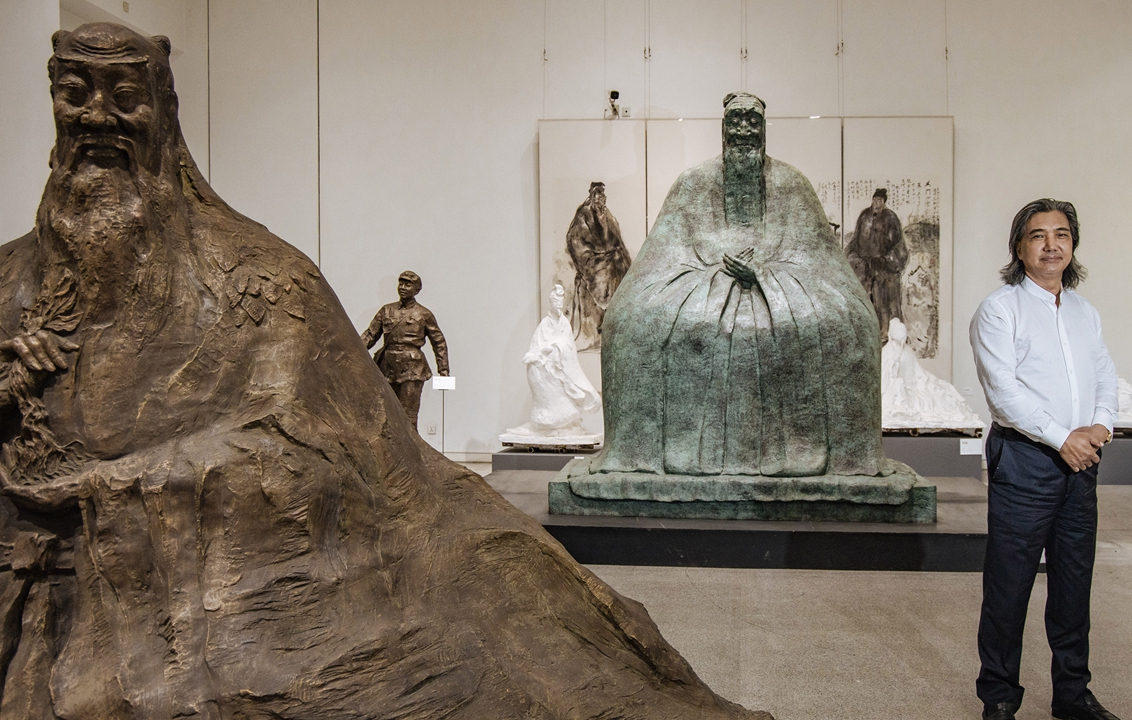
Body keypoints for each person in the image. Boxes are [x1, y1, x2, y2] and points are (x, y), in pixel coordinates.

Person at [0, 23, 773, 718]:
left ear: (163, 112)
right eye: (75, 95)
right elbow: (372, 335)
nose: (96, 118)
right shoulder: (9, 282)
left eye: (123, 97)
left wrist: (93, 485)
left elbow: (316, 440)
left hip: (273, 522)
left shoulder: (264, 275)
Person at [591, 92, 884, 479]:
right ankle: (644, 453)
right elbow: (662, 257)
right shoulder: (692, 183)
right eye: (736, 120)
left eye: (752, 120)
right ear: (723, 127)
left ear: (763, 128)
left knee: (852, 324)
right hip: (700, 280)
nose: (744, 129)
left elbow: (818, 259)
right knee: (629, 323)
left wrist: (765, 274)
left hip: (780, 282)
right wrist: (716, 275)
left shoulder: (792, 184)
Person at [970, 199, 1121, 720]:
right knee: (1009, 587)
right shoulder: (999, 310)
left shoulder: (1084, 311)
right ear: (1019, 247)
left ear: (1072, 245)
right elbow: (1003, 393)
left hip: (1082, 462)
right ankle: (999, 697)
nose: (1051, 245)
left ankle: (1073, 695)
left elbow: (1104, 375)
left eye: (1062, 235)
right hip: (1025, 460)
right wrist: (1063, 438)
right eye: (1038, 235)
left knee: (1074, 586)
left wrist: (1101, 425)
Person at [503, 284, 600, 439]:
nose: (559, 305)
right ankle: (547, 421)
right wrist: (541, 354)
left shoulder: (564, 324)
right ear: (552, 303)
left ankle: (560, 421)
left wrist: (555, 348)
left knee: (572, 399)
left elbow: (568, 346)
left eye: (561, 302)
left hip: (560, 367)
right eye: (556, 302)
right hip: (546, 369)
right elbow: (535, 347)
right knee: (534, 368)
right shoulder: (544, 325)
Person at [360, 270, 449, 428]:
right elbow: (370, 335)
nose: (402, 287)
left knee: (408, 415)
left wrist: (443, 370)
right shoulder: (386, 310)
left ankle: (412, 443)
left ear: (417, 289)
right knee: (386, 412)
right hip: (387, 366)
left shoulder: (424, 314)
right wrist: (354, 349)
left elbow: (438, 341)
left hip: (412, 368)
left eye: (408, 285)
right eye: (401, 283)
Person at [565, 181, 631, 350]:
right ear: (592, 196)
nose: (600, 197)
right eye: (597, 194)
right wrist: (597, 255)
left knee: (622, 266)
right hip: (592, 260)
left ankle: (618, 323)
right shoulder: (583, 214)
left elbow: (616, 238)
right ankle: (604, 319)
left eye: (602, 194)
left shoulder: (606, 214)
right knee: (605, 274)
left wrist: (616, 251)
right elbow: (576, 241)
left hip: (608, 256)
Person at [846, 187, 908, 342]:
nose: (876, 204)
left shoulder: (891, 218)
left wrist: (884, 261)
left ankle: (886, 335)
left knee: (885, 303)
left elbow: (898, 245)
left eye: (879, 201)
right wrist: (850, 257)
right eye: (874, 200)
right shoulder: (864, 216)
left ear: (884, 202)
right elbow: (855, 240)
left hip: (884, 268)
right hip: (864, 268)